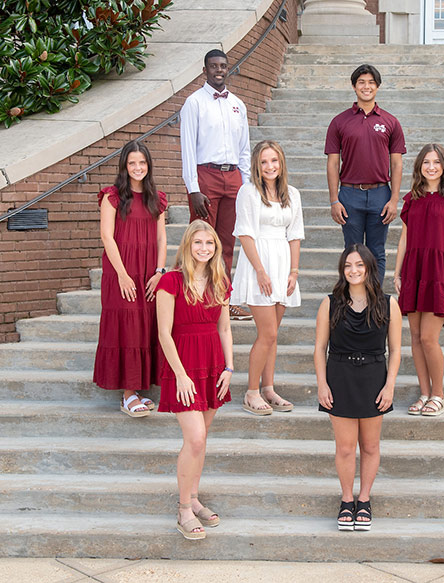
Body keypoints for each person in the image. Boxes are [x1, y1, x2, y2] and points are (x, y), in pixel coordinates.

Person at [156, 220, 235, 541]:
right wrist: (180, 375)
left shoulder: (219, 281)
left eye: (210, 243)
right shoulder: (171, 282)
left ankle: (195, 496)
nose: (204, 249)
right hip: (183, 366)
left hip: (213, 366)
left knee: (201, 439)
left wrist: (229, 369)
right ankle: (183, 508)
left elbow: (225, 329)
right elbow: (163, 333)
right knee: (196, 438)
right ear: (187, 245)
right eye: (198, 243)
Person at [314, 245, 402, 532]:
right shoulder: (330, 303)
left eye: (359, 265)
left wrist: (390, 386)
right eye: (348, 265)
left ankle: (364, 499)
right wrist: (322, 383)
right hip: (339, 376)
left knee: (371, 445)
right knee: (345, 447)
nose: (353, 270)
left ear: (368, 268)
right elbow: (319, 348)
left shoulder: (389, 304)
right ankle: (347, 499)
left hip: (374, 376)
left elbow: (397, 351)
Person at [93, 139, 167, 417]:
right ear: (125, 166)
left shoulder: (156, 198)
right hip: (121, 272)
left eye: (142, 163)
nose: (138, 168)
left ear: (148, 166)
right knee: (127, 326)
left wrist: (160, 273)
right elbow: (106, 236)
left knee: (145, 325)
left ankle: (137, 389)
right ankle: (127, 395)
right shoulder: (112, 196)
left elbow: (161, 238)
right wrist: (122, 275)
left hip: (149, 272)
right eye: (132, 163)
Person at [393, 144, 444, 417]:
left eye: (436, 162)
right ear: (419, 167)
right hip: (414, 269)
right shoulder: (411, 198)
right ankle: (424, 393)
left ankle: (439, 394)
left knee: (428, 337)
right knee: (414, 337)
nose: (431, 167)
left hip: (440, 271)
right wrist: (397, 273)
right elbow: (404, 239)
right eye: (426, 162)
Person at [232, 140, 305, 415]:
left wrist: (293, 272)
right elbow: (245, 234)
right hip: (258, 264)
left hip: (283, 264)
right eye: (264, 162)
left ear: (281, 162)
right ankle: (251, 392)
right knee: (268, 332)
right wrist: (260, 271)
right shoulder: (248, 192)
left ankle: (268, 388)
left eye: (274, 161)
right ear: (256, 165)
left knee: (273, 335)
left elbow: (295, 234)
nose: (269, 166)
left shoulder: (293, 194)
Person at [179, 48, 252, 321]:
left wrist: (245, 186)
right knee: (201, 240)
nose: (219, 70)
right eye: (213, 66)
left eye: (223, 66)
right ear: (205, 70)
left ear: (228, 68)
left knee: (227, 243)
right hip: (206, 176)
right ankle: (196, 298)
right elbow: (188, 148)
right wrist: (193, 188)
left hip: (233, 177)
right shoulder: (194, 103)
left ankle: (223, 300)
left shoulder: (238, 105)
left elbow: (244, 150)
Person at [325, 64, 406, 283]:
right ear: (354, 86)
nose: (366, 86)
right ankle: (351, 301)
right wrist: (334, 200)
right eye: (361, 82)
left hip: (380, 193)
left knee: (376, 252)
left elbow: (396, 164)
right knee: (351, 251)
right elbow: (333, 163)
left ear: (377, 87)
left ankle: (375, 303)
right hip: (349, 195)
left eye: (371, 82)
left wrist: (394, 199)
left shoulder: (390, 122)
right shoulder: (339, 121)